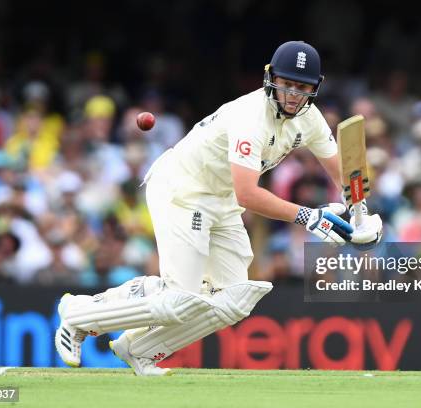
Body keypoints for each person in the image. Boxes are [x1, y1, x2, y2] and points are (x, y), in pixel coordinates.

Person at [54, 41, 383, 375]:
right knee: (178, 299)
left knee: (234, 299)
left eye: (302, 87)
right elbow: (248, 194)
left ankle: (139, 348)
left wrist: (362, 213)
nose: (294, 94)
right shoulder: (250, 117)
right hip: (183, 190)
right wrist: (309, 217)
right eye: (287, 84)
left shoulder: (310, 119)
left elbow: (343, 170)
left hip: (220, 199)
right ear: (271, 79)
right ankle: (79, 314)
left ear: (315, 88)